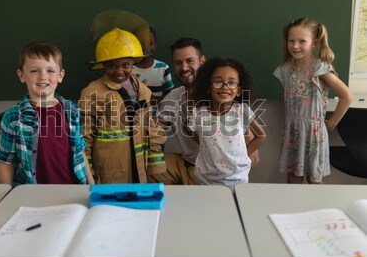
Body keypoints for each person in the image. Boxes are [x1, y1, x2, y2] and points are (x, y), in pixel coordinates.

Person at [149, 37, 260, 185]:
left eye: (190, 61)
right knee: (146, 165)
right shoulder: (173, 98)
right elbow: (153, 131)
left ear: (202, 62)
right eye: (178, 63)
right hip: (185, 163)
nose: (184, 68)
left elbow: (254, 157)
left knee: (198, 181)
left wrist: (226, 172)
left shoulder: (227, 104)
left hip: (212, 173)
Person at [0, 41, 94, 186]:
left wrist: (92, 187)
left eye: (50, 71)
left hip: (71, 190)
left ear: (60, 75)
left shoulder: (72, 111)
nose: (43, 77)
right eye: (34, 71)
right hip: (33, 193)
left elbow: (80, 152)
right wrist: (6, 195)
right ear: (21, 75)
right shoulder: (13, 116)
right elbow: (5, 161)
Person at [78, 27, 166, 184]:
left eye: (125, 65)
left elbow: (152, 131)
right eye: (112, 66)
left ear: (133, 63)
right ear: (103, 65)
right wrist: (88, 178)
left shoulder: (143, 90)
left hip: (140, 173)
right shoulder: (92, 93)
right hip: (107, 177)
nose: (119, 71)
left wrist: (154, 170)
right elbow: (84, 139)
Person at [273, 18, 352, 184]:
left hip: (313, 133)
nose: (295, 46)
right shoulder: (285, 70)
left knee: (314, 180)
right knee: (293, 177)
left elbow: (346, 96)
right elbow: (286, 98)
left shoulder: (320, 69)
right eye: (291, 41)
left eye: (302, 41)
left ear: (314, 43)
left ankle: (318, 210)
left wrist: (332, 123)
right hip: (293, 132)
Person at [188, 57, 266, 188]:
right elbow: (190, 131)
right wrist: (206, 145)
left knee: (236, 206)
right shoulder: (199, 113)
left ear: (239, 91)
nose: (225, 87)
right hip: (207, 178)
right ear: (208, 88)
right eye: (218, 82)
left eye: (231, 83)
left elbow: (261, 136)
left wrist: (243, 154)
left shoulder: (242, 111)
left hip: (238, 177)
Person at [132, 27, 174, 103]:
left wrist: (155, 99)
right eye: (141, 44)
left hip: (158, 113)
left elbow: (170, 94)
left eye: (150, 43)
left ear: (155, 45)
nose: (146, 48)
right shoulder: (128, 69)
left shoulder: (163, 68)